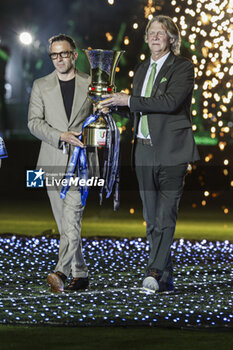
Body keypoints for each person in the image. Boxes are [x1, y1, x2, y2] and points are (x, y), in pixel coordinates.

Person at [100, 15, 199, 293]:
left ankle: (153, 271)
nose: (155, 37)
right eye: (151, 33)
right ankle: (164, 275)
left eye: (161, 33)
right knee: (152, 217)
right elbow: (140, 106)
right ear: (146, 38)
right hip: (142, 149)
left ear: (172, 39)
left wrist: (128, 100)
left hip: (172, 150)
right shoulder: (143, 69)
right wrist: (113, 104)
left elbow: (168, 103)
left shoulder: (183, 67)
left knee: (166, 215)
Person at [28, 34, 98, 293]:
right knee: (65, 224)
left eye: (64, 53)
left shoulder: (91, 83)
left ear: (74, 54)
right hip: (51, 161)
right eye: (54, 55)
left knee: (73, 216)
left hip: (80, 162)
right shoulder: (40, 85)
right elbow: (33, 123)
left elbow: (99, 119)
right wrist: (60, 136)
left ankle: (60, 271)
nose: (59, 59)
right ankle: (80, 274)